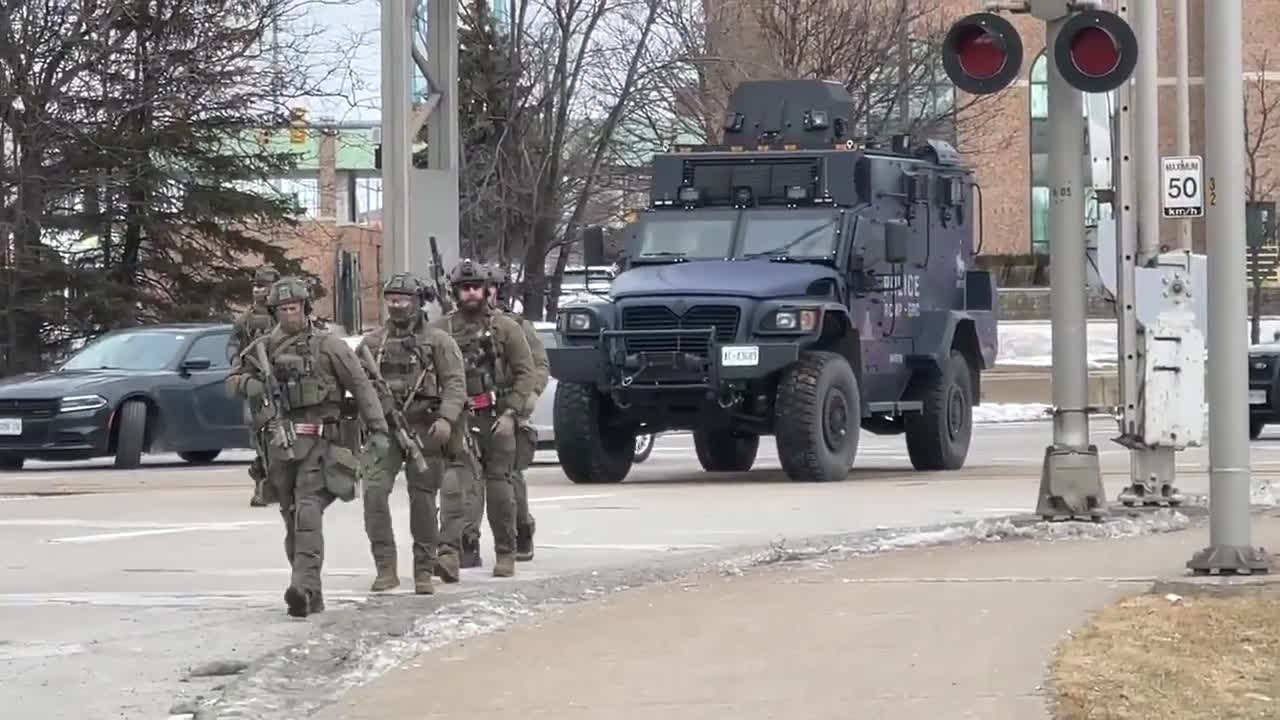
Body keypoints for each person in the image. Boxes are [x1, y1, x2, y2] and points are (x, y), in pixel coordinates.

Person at [225, 276, 390, 618]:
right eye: (283, 309)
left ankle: (303, 586)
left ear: (306, 308)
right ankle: (308, 591)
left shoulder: (329, 345)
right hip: (280, 446)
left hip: (320, 441)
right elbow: (232, 382)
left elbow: (360, 386)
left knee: (308, 511)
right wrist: (253, 385)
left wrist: (378, 428)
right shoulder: (264, 347)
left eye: (295, 308)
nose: (290, 314)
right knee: (290, 516)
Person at [356, 273, 467, 593]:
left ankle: (423, 568)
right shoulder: (372, 344)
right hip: (384, 430)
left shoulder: (439, 342)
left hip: (424, 425)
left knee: (422, 499)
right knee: (374, 493)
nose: (396, 305)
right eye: (391, 299)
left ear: (418, 302)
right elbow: (355, 385)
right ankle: (385, 567)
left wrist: (446, 419)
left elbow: (455, 384)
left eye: (403, 299)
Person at [430, 259, 535, 577]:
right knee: (453, 486)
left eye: (476, 287)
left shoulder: (506, 328)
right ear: (455, 293)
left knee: (500, 487)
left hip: (496, 416)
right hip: (460, 417)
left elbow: (526, 373)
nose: (471, 294)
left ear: (487, 290)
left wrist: (512, 413)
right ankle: (449, 551)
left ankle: (506, 552)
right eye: (465, 288)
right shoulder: (440, 331)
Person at [485, 264, 549, 561]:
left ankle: (521, 529)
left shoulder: (515, 326)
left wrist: (526, 399)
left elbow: (538, 367)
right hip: (472, 406)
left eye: (490, 287)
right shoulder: (456, 325)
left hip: (510, 404)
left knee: (509, 475)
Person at [227, 264, 280, 507]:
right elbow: (233, 345)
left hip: (280, 380)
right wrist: (236, 364)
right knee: (258, 434)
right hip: (254, 382)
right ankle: (263, 483)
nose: (259, 291)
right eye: (257, 286)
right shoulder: (246, 319)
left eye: (264, 286)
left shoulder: (284, 315)